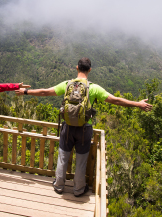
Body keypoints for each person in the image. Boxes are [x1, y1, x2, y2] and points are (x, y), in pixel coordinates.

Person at [15, 57, 153, 196]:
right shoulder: (93, 88)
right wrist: (138, 104)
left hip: (67, 128)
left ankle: (59, 186)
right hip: (84, 129)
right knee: (81, 161)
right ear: (90, 70)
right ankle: (78, 189)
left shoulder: (67, 85)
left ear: (77, 68)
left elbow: (45, 92)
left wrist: (25, 92)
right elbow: (115, 100)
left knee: (63, 157)